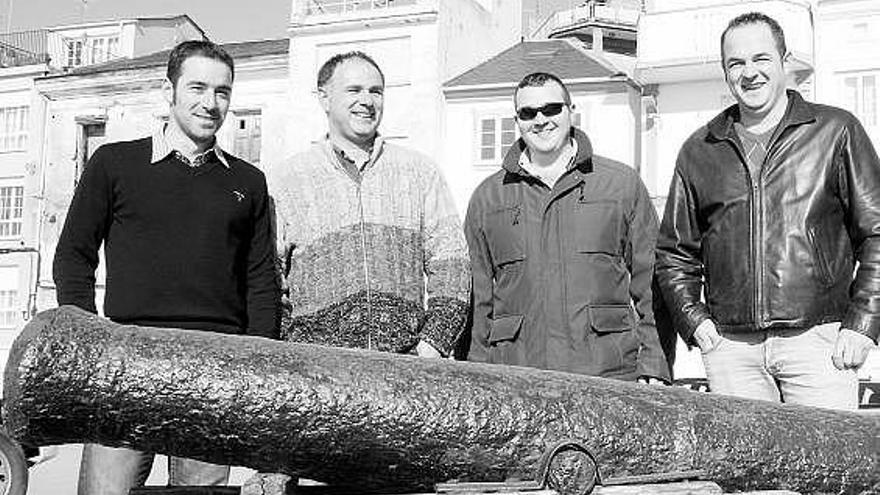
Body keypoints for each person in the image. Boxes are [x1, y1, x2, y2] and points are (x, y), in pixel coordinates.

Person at [53, 40, 279, 494]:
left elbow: (260, 281)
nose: (210, 103)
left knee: (202, 493)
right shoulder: (114, 164)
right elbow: (73, 256)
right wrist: (91, 341)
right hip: (126, 361)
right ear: (168, 90)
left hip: (216, 366)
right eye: (197, 87)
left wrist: (257, 364)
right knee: (106, 491)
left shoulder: (248, 182)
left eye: (222, 91)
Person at [655, 12, 879, 410]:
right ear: (725, 72)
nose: (749, 73)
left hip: (819, 345)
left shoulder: (835, 131)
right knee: (744, 472)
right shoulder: (700, 149)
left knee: (825, 468)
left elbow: (876, 233)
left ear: (784, 60)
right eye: (735, 63)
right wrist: (696, 323)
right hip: (731, 351)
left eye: (761, 59)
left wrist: (863, 323)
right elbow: (674, 253)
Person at [464, 72, 669, 383]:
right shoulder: (489, 198)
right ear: (517, 120)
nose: (541, 119)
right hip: (518, 375)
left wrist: (653, 363)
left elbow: (651, 281)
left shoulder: (619, 185)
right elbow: (478, 297)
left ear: (570, 112)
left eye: (552, 109)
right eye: (528, 112)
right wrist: (476, 373)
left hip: (606, 372)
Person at [269, 51, 469, 358]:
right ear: (324, 98)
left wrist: (432, 346)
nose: (367, 101)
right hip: (317, 373)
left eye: (375, 91)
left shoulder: (419, 172)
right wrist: (292, 354)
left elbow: (451, 263)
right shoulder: (287, 180)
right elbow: (272, 278)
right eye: (354, 90)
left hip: (405, 368)